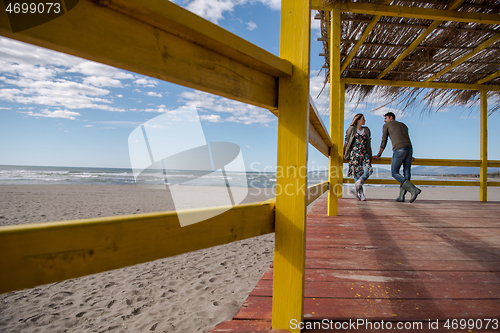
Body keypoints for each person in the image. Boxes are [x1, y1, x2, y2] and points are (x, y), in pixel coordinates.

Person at [373, 112, 421, 203]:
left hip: (399, 149)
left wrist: (379, 154)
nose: (384, 121)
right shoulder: (404, 125)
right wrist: (410, 154)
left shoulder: (386, 126)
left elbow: (384, 140)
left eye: (386, 118)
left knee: (394, 172)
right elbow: (406, 138)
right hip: (409, 149)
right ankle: (401, 196)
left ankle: (413, 189)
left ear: (391, 117)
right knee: (406, 172)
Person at [344, 113, 373, 201]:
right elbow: (346, 142)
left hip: (365, 154)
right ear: (358, 120)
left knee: (369, 171)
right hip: (354, 154)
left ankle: (355, 189)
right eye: (363, 119)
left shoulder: (366, 130)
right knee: (357, 174)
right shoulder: (351, 129)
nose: (364, 120)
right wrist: (344, 153)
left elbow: (368, 142)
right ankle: (361, 194)